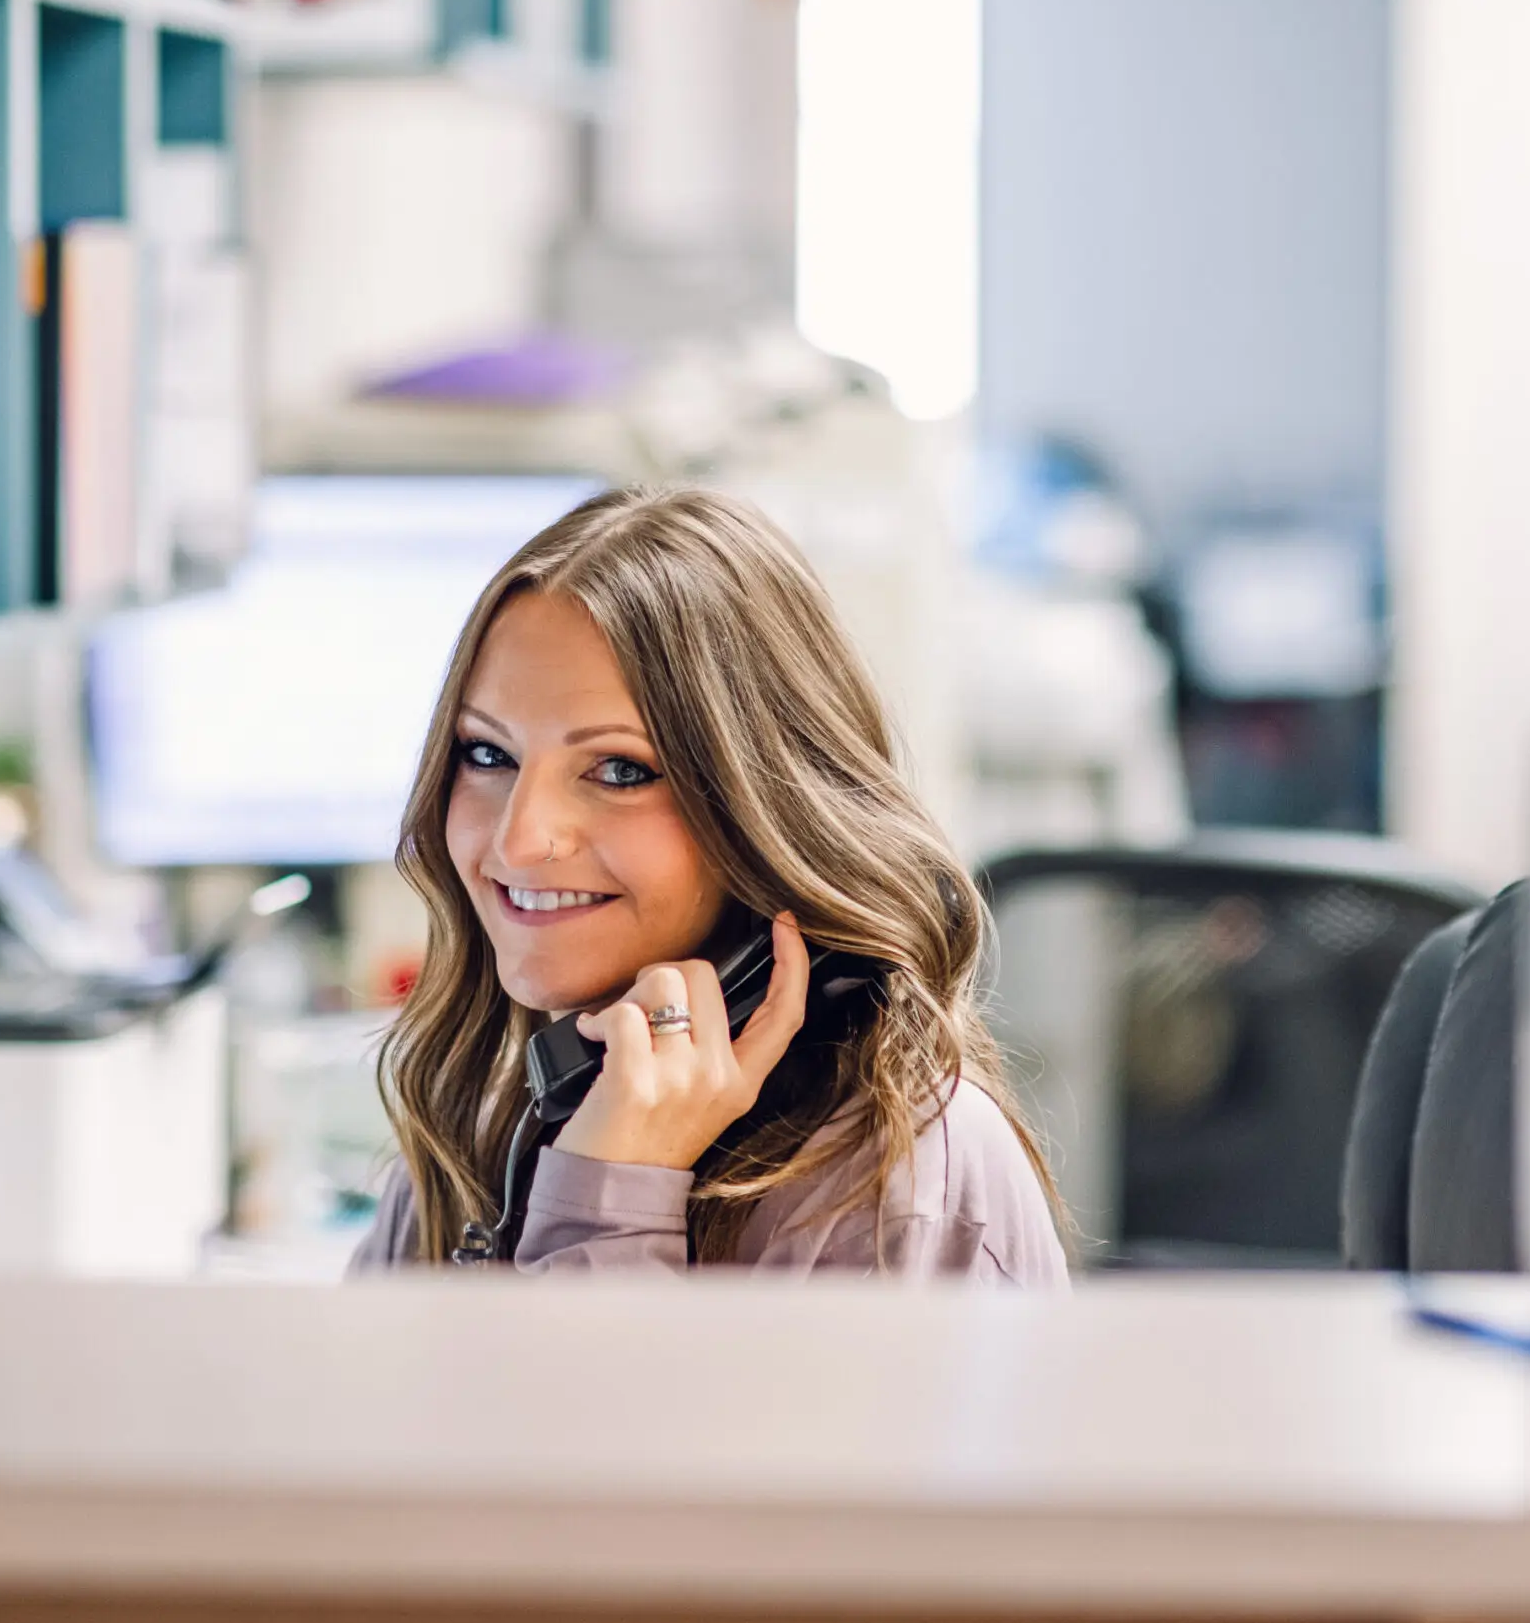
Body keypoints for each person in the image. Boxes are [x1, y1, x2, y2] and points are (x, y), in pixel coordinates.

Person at [350, 485, 1068, 1282]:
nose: (519, 838)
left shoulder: (902, 1183)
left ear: (767, 810)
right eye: (488, 755)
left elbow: (580, 1413)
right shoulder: (483, 1126)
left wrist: (605, 1202)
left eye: (620, 771)